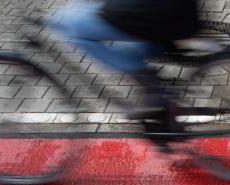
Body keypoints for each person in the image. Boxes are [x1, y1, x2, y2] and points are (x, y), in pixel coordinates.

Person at [50, 0, 201, 115]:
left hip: (158, 16)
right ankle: (149, 52)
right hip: (178, 14)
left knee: (76, 29)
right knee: (75, 14)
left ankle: (152, 88)